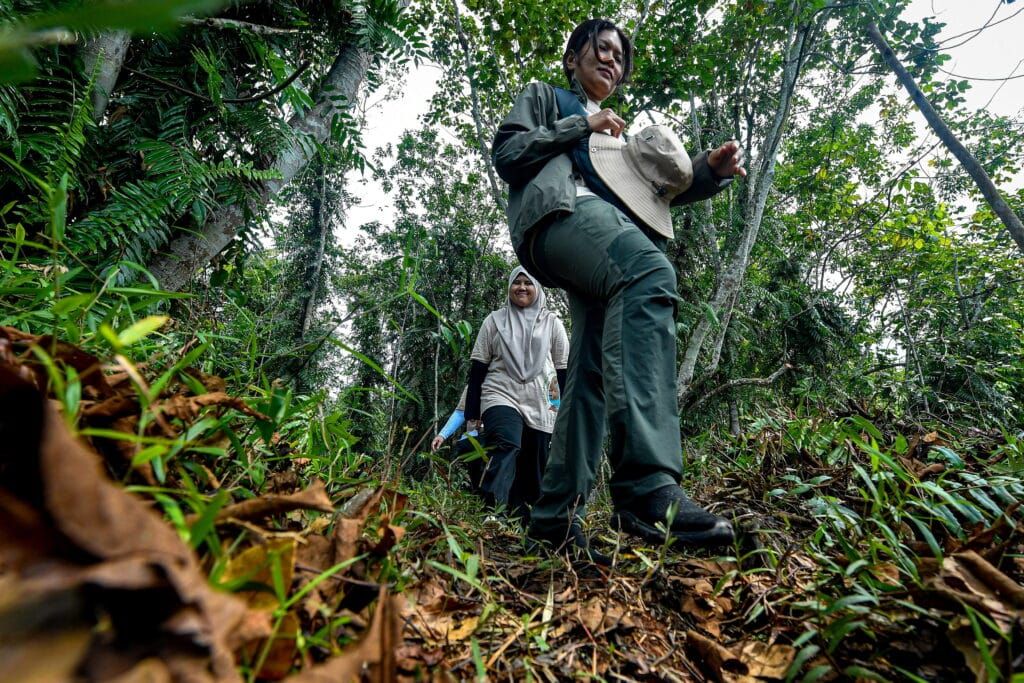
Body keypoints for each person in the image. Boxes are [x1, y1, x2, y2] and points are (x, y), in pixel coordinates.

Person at [491, 18, 747, 562]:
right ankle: (645, 485)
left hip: (604, 238)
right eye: (600, 49)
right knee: (650, 272)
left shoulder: (619, 137)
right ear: (573, 58)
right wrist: (577, 128)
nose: (610, 60)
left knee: (587, 372)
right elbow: (508, 155)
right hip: (559, 217)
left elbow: (650, 191)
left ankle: (554, 518)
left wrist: (709, 173)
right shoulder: (548, 98)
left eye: (618, 58)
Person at [464, 267, 569, 521]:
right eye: (516, 283)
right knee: (506, 443)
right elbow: (477, 370)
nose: (521, 287)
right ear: (509, 288)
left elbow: (563, 369)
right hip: (500, 392)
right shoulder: (494, 321)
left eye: (528, 283)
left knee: (534, 463)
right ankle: (494, 512)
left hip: (540, 399)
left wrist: (566, 412)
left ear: (538, 288)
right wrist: (472, 415)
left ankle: (523, 517)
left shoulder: (552, 323)